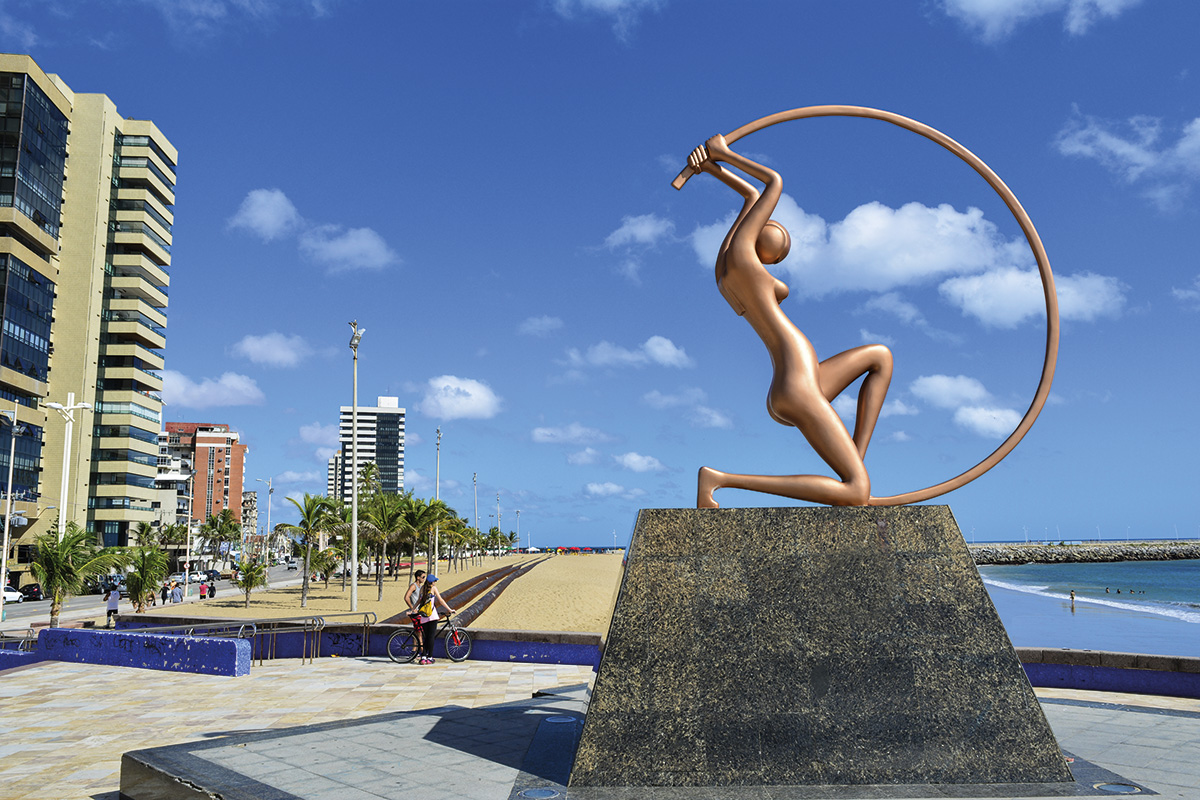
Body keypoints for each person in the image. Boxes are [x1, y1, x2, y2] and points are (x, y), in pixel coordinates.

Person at [687, 135, 893, 508]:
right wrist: (724, 154)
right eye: (779, 234)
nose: (781, 239)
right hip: (798, 382)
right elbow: (772, 184)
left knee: (880, 356)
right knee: (856, 493)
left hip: (802, 376)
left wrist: (711, 170)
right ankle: (720, 479)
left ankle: (854, 461)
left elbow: (751, 199)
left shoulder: (729, 270)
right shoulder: (744, 264)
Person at [408, 574, 456, 665]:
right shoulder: (433, 588)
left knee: (426, 637)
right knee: (431, 638)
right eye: (435, 581)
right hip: (432, 616)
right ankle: (429, 657)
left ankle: (423, 657)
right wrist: (450, 609)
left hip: (424, 616)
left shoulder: (422, 589)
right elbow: (441, 600)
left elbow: (419, 601)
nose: (435, 582)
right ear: (432, 582)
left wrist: (413, 610)